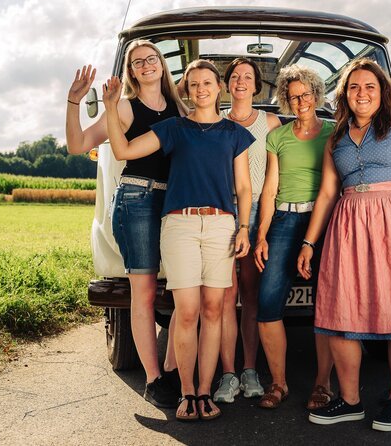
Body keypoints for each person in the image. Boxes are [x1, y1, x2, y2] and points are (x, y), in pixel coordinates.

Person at [297, 58, 391, 432]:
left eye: (370, 86)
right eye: (354, 87)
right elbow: (328, 192)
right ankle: (350, 400)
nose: (362, 93)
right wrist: (308, 242)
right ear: (344, 95)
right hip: (349, 223)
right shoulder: (336, 137)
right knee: (340, 313)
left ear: (383, 92)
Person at [102, 59, 254, 422]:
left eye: (207, 83)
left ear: (219, 88)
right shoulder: (173, 127)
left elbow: (244, 187)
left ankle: (205, 392)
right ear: (186, 90)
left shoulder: (234, 134)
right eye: (194, 84)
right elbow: (122, 151)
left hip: (221, 227)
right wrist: (110, 107)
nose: (201, 90)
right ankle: (186, 392)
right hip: (180, 226)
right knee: (186, 311)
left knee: (215, 311)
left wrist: (244, 227)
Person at [65, 40, 188, 408]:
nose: (146, 64)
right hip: (137, 198)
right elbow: (77, 144)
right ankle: (155, 380)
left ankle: (172, 368)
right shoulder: (123, 107)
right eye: (138, 62)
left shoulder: (181, 107)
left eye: (152, 59)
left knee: (186, 290)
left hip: (176, 203)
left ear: (162, 65)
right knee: (145, 292)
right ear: (132, 71)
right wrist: (75, 101)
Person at [252, 65, 335, 410]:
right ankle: (279, 382)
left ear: (316, 94)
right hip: (284, 218)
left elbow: (335, 185)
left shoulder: (334, 132)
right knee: (268, 304)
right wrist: (261, 236)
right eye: (293, 95)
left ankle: (322, 383)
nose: (300, 100)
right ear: (285, 99)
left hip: (325, 218)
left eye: (305, 94)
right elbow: (270, 188)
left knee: (329, 305)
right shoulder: (278, 137)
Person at [213, 58, 281, 403]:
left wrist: (262, 224)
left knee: (251, 295)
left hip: (254, 210)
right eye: (235, 77)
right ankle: (228, 373)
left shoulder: (269, 122)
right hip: (222, 211)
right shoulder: (216, 120)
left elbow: (272, 176)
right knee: (226, 295)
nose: (241, 82)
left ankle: (250, 369)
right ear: (226, 85)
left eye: (248, 77)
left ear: (257, 86)